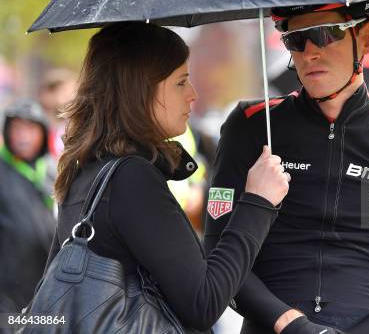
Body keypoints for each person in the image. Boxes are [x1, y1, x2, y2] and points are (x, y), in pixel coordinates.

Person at [204, 1, 369, 334]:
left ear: (367, 37)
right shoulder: (252, 126)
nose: (309, 53)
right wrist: (294, 326)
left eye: (324, 35)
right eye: (295, 40)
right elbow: (217, 256)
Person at [44, 22, 291, 333]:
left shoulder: (88, 167)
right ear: (141, 90)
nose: (193, 94)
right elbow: (204, 303)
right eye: (180, 82)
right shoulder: (131, 179)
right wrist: (258, 202)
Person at [0, 99, 56, 312]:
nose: (24, 136)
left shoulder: (54, 170)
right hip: (7, 290)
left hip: (46, 286)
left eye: (31, 129)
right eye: (17, 129)